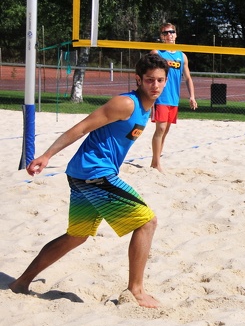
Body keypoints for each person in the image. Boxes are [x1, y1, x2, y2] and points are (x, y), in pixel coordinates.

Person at [10, 53, 170, 309]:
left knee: (77, 236)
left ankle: (21, 283)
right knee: (147, 222)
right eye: (150, 80)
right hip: (94, 174)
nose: (156, 86)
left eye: (160, 80)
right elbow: (82, 127)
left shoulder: (146, 108)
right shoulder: (126, 104)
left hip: (83, 174)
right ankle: (136, 291)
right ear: (138, 80)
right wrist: (47, 155)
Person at [150, 22, 197, 172]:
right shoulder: (157, 53)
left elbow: (188, 78)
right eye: (165, 33)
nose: (169, 35)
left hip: (173, 98)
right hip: (161, 97)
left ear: (176, 34)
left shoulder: (181, 56)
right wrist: (150, 99)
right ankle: (157, 164)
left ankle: (154, 162)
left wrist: (192, 97)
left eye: (171, 32)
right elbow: (149, 75)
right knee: (160, 129)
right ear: (161, 37)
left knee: (165, 132)